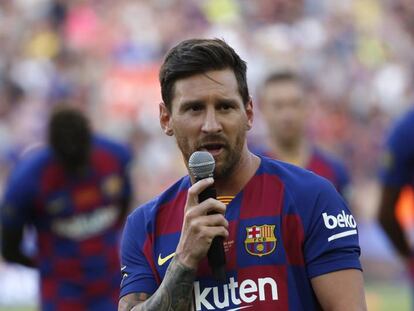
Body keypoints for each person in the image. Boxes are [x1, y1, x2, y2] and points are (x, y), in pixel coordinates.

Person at [118, 38, 367, 311]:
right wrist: (184, 260)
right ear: (166, 119)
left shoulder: (312, 198)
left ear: (248, 113)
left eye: (225, 107)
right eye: (194, 108)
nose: (211, 125)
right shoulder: (145, 225)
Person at [1, 104, 133, 311]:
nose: (79, 170)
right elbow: (9, 246)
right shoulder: (27, 181)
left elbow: (124, 203)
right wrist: (44, 265)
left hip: (109, 283)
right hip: (62, 292)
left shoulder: (115, 157)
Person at [254, 70, 351, 200]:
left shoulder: (333, 170)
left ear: (307, 106)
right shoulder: (249, 170)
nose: (287, 115)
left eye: (295, 104)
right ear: (262, 108)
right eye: (278, 106)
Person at [378, 107, 414, 308]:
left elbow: (385, 213)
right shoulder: (406, 129)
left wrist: (409, 257)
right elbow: (385, 214)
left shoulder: (406, 128)